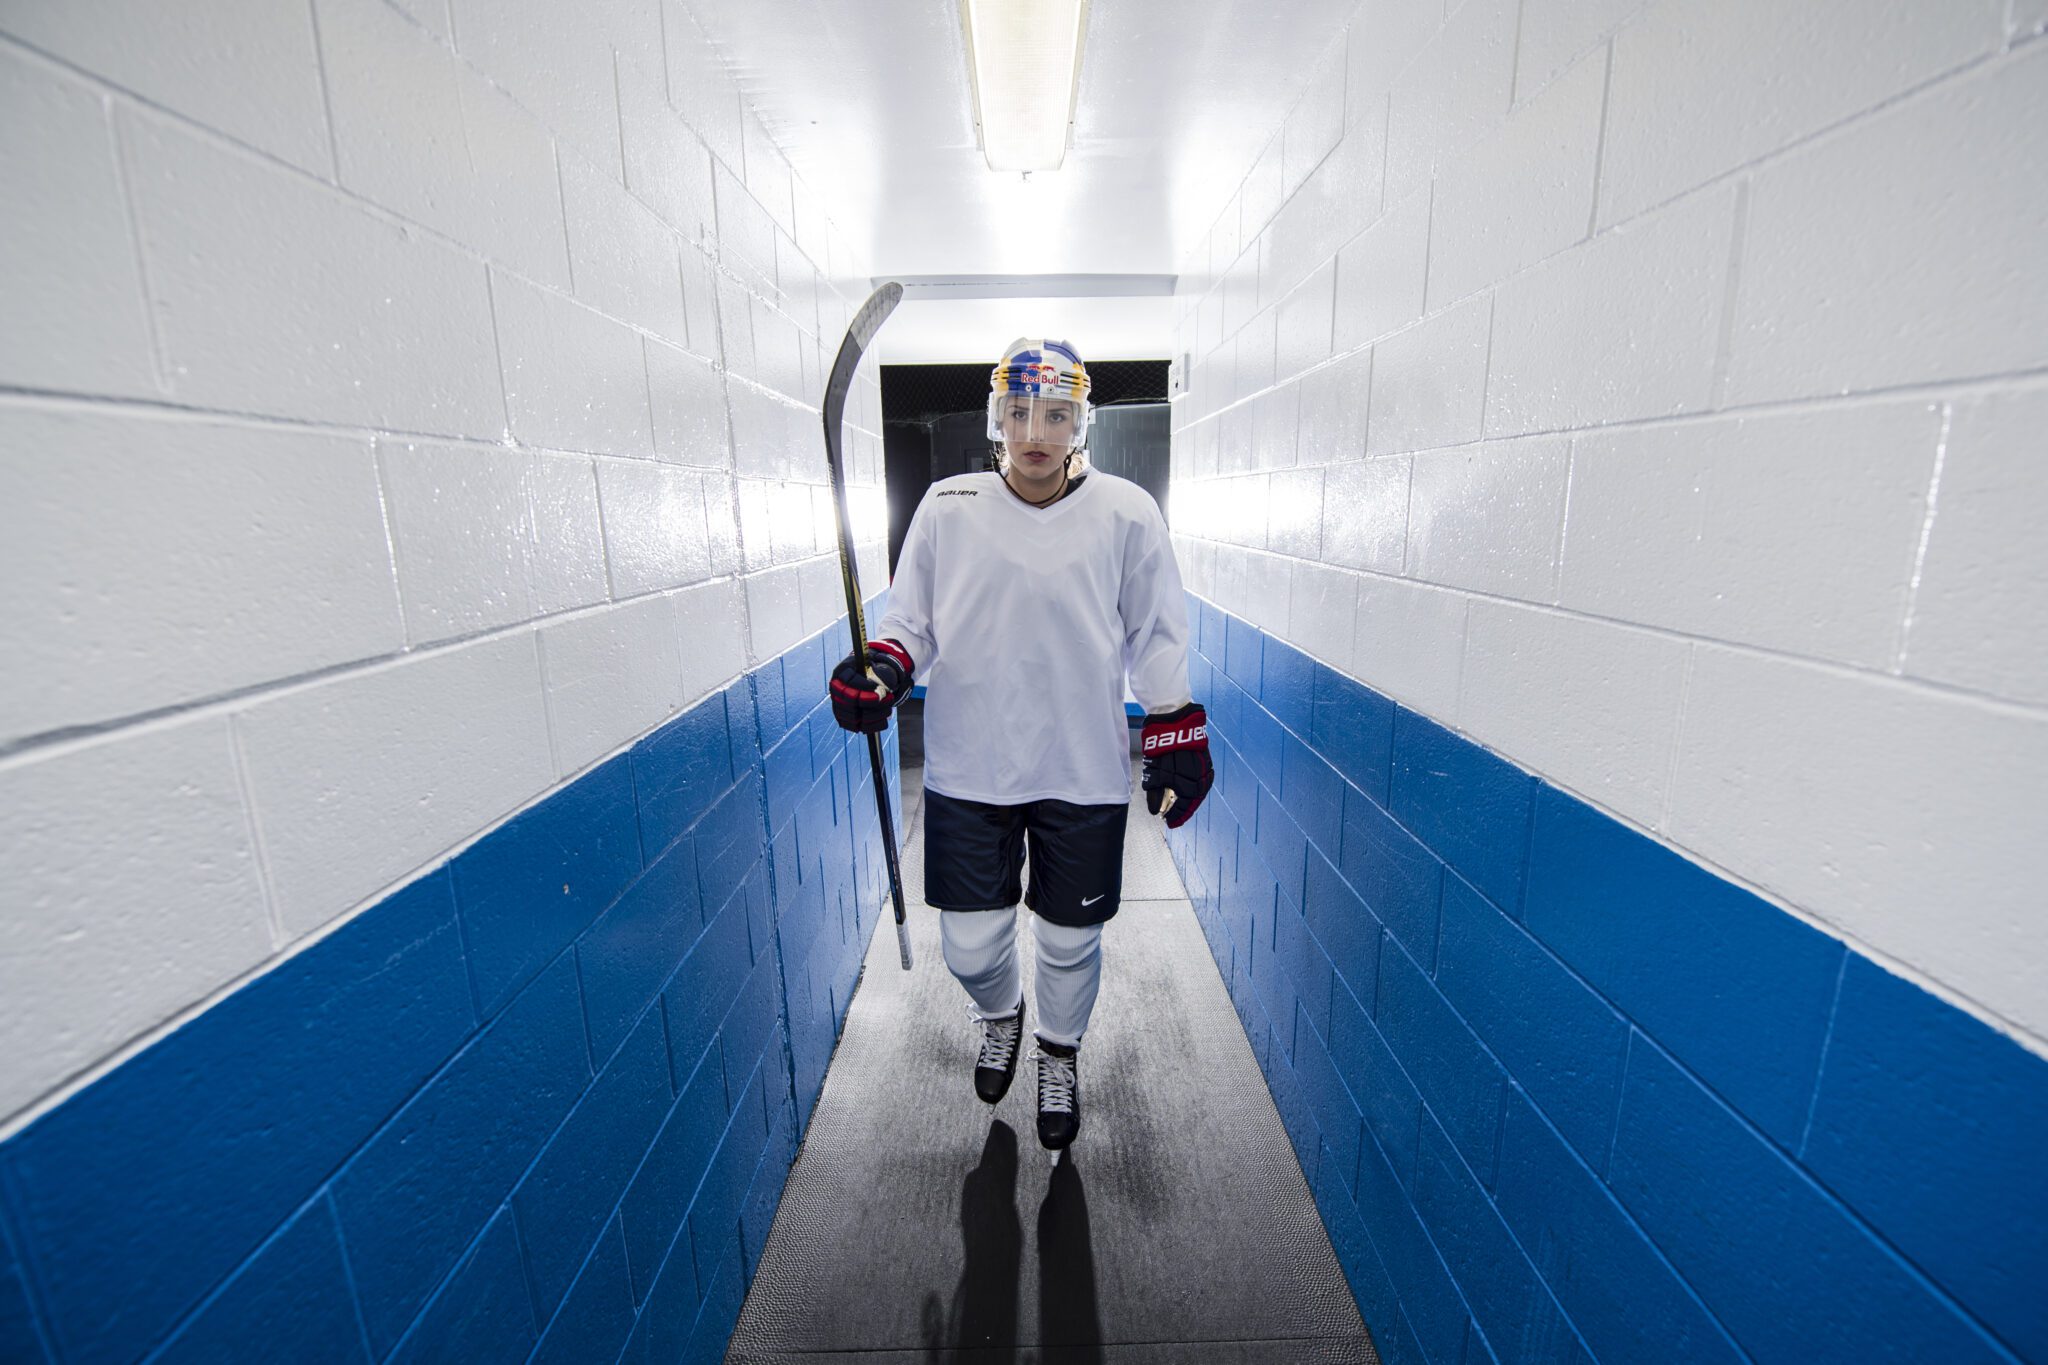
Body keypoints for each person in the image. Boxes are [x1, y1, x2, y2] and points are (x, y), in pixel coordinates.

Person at [828, 338, 1213, 1155]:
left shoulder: (1126, 512)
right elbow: (911, 623)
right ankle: (1000, 1014)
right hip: (971, 767)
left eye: (1057, 412)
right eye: (1020, 410)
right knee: (970, 944)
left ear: (1083, 421)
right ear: (997, 416)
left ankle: (1058, 1053)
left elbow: (1155, 631)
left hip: (1083, 769)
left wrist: (1176, 724)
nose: (1037, 429)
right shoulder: (948, 504)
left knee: (1071, 943)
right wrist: (884, 670)